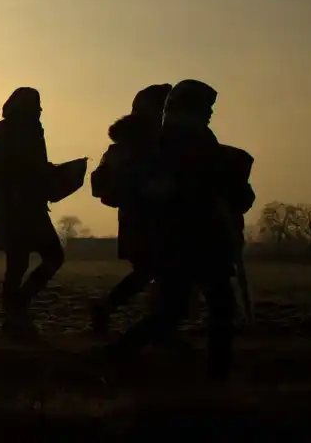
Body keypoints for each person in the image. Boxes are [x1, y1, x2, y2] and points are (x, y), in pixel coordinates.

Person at [104, 80, 253, 381]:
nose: (210, 114)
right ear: (187, 109)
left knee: (192, 311)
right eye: (205, 108)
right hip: (185, 240)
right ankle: (215, 379)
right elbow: (181, 188)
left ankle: (119, 356)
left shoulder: (183, 142)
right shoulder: (172, 146)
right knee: (202, 311)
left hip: (197, 239)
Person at [0, 87, 63, 337]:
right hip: (22, 211)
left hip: (18, 210)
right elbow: (23, 171)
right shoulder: (22, 136)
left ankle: (15, 311)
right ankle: (17, 311)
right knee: (42, 259)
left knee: (19, 265)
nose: (39, 111)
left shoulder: (12, 135)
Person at [87, 84, 173, 335]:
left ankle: (153, 325)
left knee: (154, 272)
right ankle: (152, 329)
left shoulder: (147, 141)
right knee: (155, 270)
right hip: (143, 216)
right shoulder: (133, 145)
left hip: (148, 216)